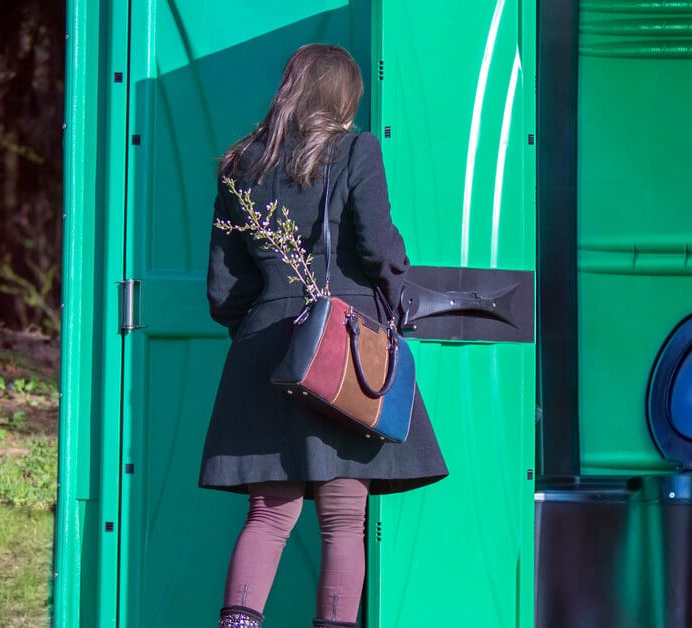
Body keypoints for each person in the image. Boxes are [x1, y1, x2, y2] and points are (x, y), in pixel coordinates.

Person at [201, 44, 448, 628]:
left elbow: (223, 290)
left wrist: (264, 327)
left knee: (268, 515)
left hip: (266, 349)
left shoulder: (240, 164)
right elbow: (380, 250)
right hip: (344, 350)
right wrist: (392, 296)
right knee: (342, 520)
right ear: (344, 98)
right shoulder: (356, 151)